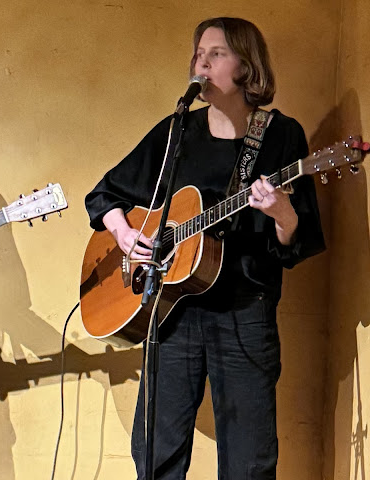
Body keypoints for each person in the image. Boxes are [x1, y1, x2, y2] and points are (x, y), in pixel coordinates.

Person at [85, 17, 325, 480]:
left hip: (244, 313)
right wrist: (124, 233)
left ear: (246, 66)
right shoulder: (178, 130)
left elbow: (298, 239)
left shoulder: (280, 137)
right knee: (155, 454)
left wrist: (282, 214)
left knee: (249, 463)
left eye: (216, 52)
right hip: (173, 313)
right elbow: (104, 195)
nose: (201, 60)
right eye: (199, 51)